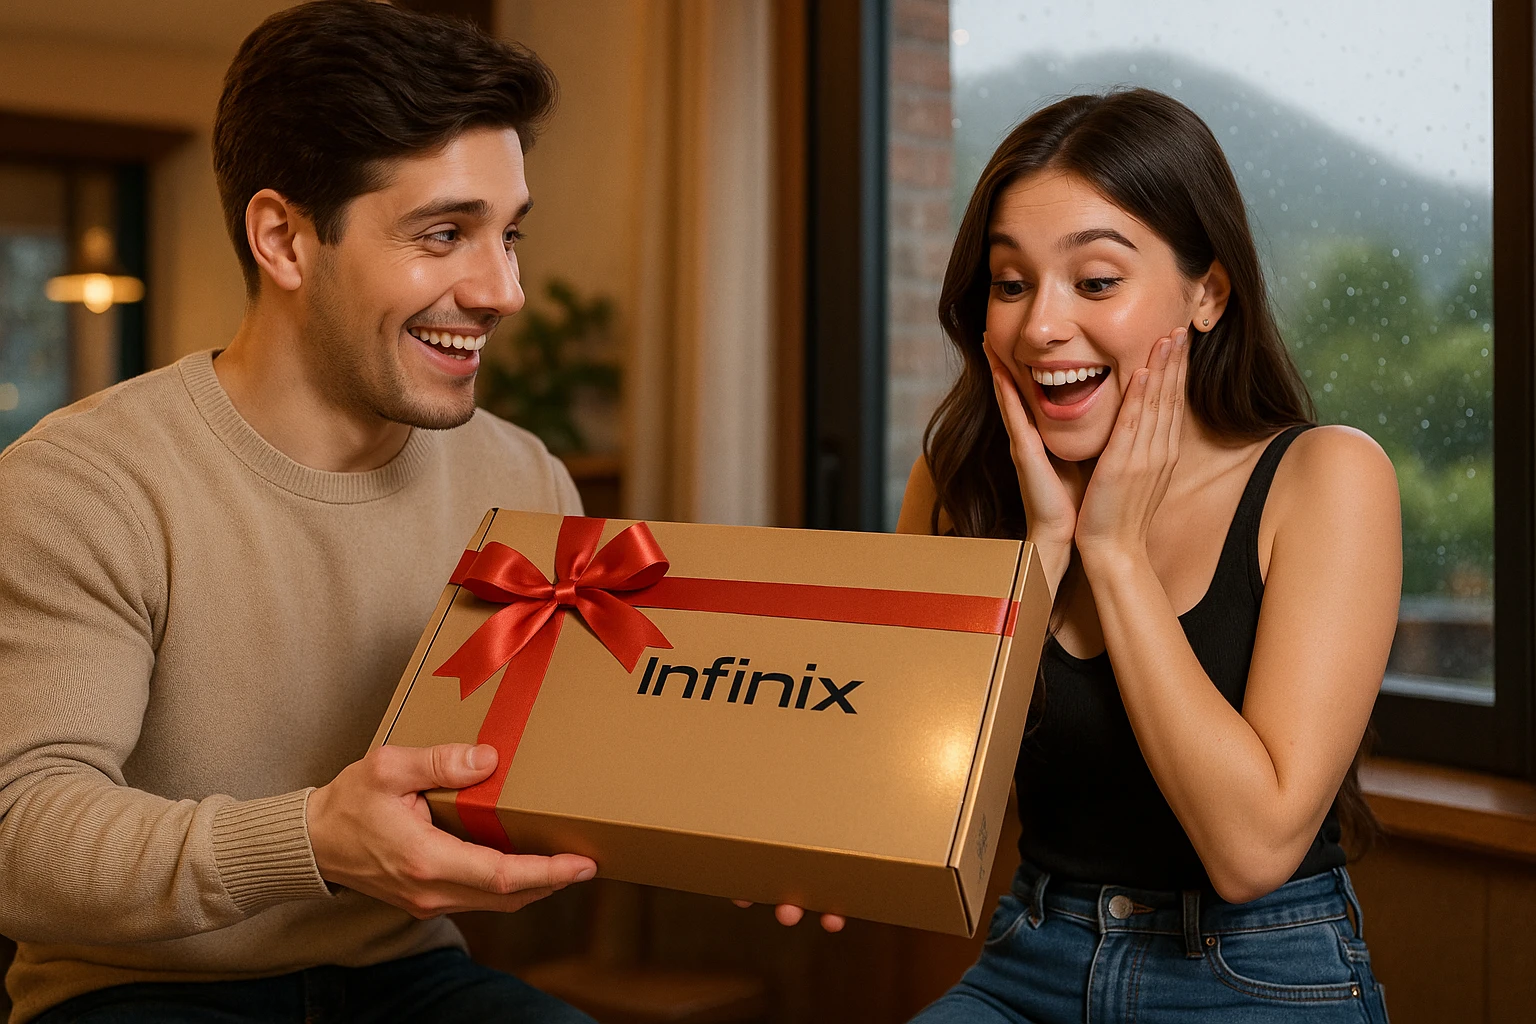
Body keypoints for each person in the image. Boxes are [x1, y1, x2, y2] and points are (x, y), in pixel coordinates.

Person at [0, 3, 603, 1021]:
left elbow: (598, 757)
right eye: (445, 234)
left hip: (407, 974)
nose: (503, 290)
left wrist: (770, 836)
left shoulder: (528, 483)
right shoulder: (85, 485)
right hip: (136, 987)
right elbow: (20, 834)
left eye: (509, 235)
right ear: (283, 239)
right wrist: (312, 840)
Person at [901, 89, 1399, 1023]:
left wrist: (1115, 553)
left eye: (1095, 282)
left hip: (1258, 973)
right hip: (1028, 958)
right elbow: (922, 798)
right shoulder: (957, 483)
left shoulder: (1327, 478)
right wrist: (1043, 554)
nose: (1041, 326)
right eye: (1011, 283)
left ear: (1208, 294)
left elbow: (1251, 852)